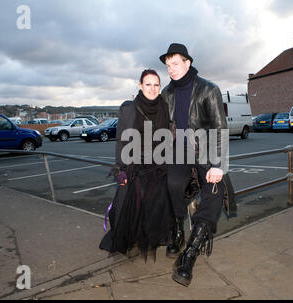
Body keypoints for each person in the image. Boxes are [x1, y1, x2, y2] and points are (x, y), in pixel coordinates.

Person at [160, 43, 237, 286]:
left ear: (187, 63)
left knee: (215, 190)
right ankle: (178, 231)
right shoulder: (166, 94)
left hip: (205, 154)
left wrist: (217, 165)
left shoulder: (208, 90)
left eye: (175, 63)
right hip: (179, 153)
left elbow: (219, 128)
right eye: (168, 65)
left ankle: (190, 253)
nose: (171, 69)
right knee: (170, 184)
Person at [99, 69, 175, 261]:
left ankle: (149, 238)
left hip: (158, 166)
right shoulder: (128, 109)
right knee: (130, 207)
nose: (152, 88)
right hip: (134, 166)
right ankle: (130, 240)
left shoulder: (165, 107)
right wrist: (120, 169)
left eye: (156, 84)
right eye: (148, 84)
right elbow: (121, 141)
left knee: (153, 207)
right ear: (140, 86)